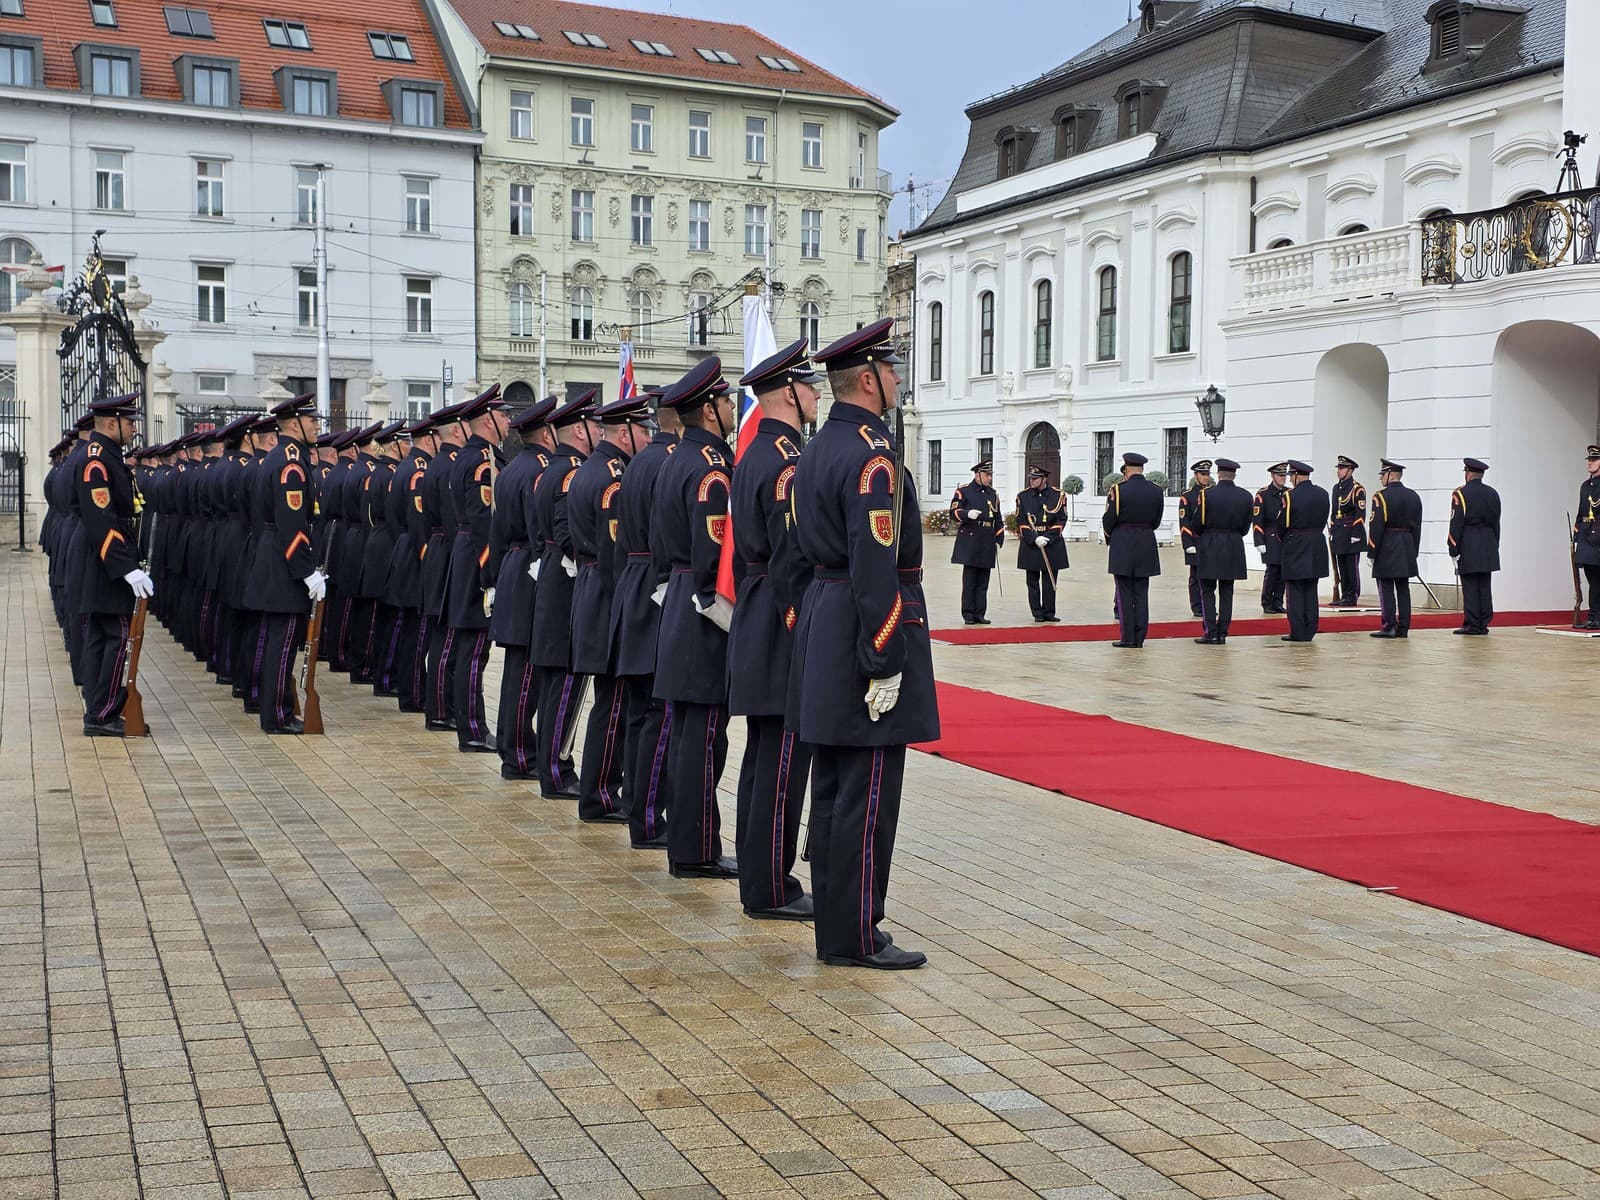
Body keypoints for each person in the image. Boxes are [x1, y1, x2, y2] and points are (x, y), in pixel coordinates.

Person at [789, 318, 935, 969]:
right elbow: (875, 568)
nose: (899, 379)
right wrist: (885, 657)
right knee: (867, 793)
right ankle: (855, 933)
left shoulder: (817, 448)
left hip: (826, 622)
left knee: (832, 791)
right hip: (860, 629)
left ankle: (835, 925)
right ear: (869, 379)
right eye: (892, 370)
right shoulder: (871, 457)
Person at [730, 339, 817, 921]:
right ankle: (770, 886)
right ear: (788, 391)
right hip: (779, 611)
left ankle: (760, 877)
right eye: (809, 385)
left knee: (765, 757)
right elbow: (791, 555)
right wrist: (798, 623)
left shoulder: (754, 453)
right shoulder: (786, 461)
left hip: (756, 604)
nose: (816, 394)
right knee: (783, 758)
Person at [650, 361, 739, 879]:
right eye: (726, 402)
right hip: (704, 610)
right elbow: (712, 555)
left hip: (679, 599)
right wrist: (726, 616)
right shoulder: (709, 467)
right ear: (708, 409)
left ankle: (689, 843)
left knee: (688, 735)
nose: (730, 409)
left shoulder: (675, 459)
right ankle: (698, 849)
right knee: (704, 739)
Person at [569, 393, 652, 822]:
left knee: (609, 703)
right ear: (624, 432)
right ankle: (600, 794)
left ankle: (599, 789)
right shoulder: (612, 478)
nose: (646, 436)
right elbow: (615, 550)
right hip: (606, 593)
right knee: (613, 705)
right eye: (642, 429)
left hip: (591, 586)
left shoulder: (590, 469)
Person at [610, 391, 679, 850]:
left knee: (640, 714)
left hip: (632, 585)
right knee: (656, 715)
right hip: (656, 589)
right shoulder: (668, 463)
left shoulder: (636, 464)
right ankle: (649, 819)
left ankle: (639, 804)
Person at [529, 390, 601, 799]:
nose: (598, 432)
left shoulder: (552, 469)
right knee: (565, 681)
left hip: (553, 578)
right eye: (593, 425)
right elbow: (564, 529)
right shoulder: (571, 471)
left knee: (557, 681)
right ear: (579, 429)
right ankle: (556, 770)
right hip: (566, 581)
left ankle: (550, 765)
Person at [245, 392, 326, 734]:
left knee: (278, 640)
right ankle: (277, 714)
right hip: (283, 564)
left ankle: (275, 711)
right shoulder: (291, 464)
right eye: (312, 421)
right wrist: (306, 572)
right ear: (294, 424)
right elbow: (292, 524)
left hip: (273, 558)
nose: (317, 426)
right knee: (282, 642)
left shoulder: (281, 459)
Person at [72, 392, 151, 737]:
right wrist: (126, 568)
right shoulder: (96, 461)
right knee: (116, 636)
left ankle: (99, 710)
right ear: (110, 422)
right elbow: (102, 519)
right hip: (105, 561)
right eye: (129, 421)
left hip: (107, 559)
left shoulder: (108, 456)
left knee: (105, 637)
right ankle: (103, 713)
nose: (134, 428)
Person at [490, 398, 556, 780]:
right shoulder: (538, 472)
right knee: (527, 672)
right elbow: (537, 528)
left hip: (512, 568)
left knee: (518, 670)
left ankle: (512, 746)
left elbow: (497, 530)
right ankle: (517, 752)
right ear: (546, 432)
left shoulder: (513, 467)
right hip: (530, 569)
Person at [443, 386, 509, 752]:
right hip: (476, 561)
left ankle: (473, 725)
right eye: (503, 416)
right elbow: (484, 521)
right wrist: (490, 576)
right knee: (473, 651)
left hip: (467, 555)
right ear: (488, 421)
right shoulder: (482, 461)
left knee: (472, 650)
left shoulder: (471, 456)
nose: (508, 421)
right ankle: (471, 729)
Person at [1103, 452, 1164, 648]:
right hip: (1146, 541)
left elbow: (1109, 519)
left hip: (1123, 542)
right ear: (1142, 469)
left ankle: (1127, 636)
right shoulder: (1156, 490)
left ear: (1126, 469)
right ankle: (1140, 636)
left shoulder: (1118, 490)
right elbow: (1156, 520)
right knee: (1141, 592)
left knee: (1125, 593)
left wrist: (1110, 538)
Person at [1193, 457, 1252, 644]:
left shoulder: (1206, 495)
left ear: (1218, 474)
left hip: (1210, 543)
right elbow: (1245, 527)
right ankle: (1223, 632)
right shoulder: (1245, 496)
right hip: (1234, 543)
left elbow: (1197, 524)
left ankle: (1210, 631)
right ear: (1234, 475)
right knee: (1227, 590)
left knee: (1208, 590)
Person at [1368, 458, 1423, 639]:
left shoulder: (1381, 496)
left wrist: (1372, 551)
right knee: (1403, 587)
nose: (1381, 478)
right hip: (1407, 544)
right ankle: (1404, 627)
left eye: (1382, 474)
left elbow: (1376, 527)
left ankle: (1388, 625)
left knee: (1386, 587)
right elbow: (1417, 528)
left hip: (1388, 544)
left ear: (1390, 474)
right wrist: (1413, 550)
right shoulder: (1414, 496)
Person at [1278, 460, 1331, 642]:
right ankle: (1310, 630)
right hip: (1317, 544)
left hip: (1296, 544)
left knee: (1295, 591)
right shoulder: (1323, 494)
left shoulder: (1290, 496)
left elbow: (1282, 525)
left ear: (1296, 476)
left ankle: (1298, 631)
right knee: (1311, 589)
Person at [1448, 457, 1501, 635]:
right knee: (1484, 585)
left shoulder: (1460, 494)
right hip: (1488, 542)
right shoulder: (1493, 493)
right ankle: (1484, 622)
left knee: (1470, 585)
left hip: (1469, 542)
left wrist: (1453, 548)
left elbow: (1456, 523)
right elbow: (1496, 523)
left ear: (1468, 473)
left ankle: (1471, 623)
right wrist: (1495, 545)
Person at [949, 462, 1003, 624]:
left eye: (990, 475)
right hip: (971, 538)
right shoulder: (964, 491)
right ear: (977, 474)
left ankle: (980, 613)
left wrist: (999, 537)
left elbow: (997, 518)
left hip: (987, 538)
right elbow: (953, 512)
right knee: (970, 580)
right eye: (987, 475)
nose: (990, 478)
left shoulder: (992, 494)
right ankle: (968, 614)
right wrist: (967, 514)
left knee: (983, 581)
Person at [1013, 465, 1068, 622]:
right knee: (1032, 581)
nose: (1032, 481)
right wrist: (1033, 538)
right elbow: (1021, 521)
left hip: (1051, 542)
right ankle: (1037, 613)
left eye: (1035, 478)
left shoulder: (1057, 495)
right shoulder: (1022, 497)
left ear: (1044, 479)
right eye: (1030, 478)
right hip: (1032, 542)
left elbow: (1061, 519)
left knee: (1050, 580)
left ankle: (1049, 612)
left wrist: (1049, 537)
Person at [1328, 455, 1366, 607]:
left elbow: (1360, 513)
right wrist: (1332, 529)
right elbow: (1334, 510)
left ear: (1350, 470)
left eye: (1342, 468)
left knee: (1351, 566)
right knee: (1341, 566)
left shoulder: (1357, 489)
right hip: (1339, 531)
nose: (1339, 471)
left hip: (1351, 531)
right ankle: (1344, 594)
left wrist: (1356, 533)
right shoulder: (1337, 488)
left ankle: (1352, 596)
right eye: (1338, 468)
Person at [1253, 463, 1288, 613]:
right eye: (1280, 475)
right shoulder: (1263, 494)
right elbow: (1257, 520)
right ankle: (1267, 602)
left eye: (1284, 475)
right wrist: (1259, 541)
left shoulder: (1288, 493)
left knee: (1283, 572)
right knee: (1272, 571)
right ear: (1273, 476)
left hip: (1285, 537)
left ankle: (1278, 601)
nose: (1283, 478)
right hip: (1271, 536)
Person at [1178, 461, 1211, 617]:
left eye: (1207, 474)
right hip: (1195, 540)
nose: (1205, 477)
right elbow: (1184, 522)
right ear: (1196, 475)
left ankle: (1208, 605)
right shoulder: (1188, 496)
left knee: (1209, 575)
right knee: (1196, 576)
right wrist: (1188, 543)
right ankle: (1197, 606)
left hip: (1209, 541)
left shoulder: (1212, 493)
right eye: (1203, 474)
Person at [1574, 445, 1600, 628]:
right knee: (1592, 578)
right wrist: (1576, 535)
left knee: (1598, 579)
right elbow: (1582, 510)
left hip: (1597, 537)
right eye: (1589, 460)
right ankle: (1593, 616)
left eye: (1595, 459)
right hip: (1585, 537)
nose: (1590, 463)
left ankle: (1596, 616)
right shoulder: (1585, 485)